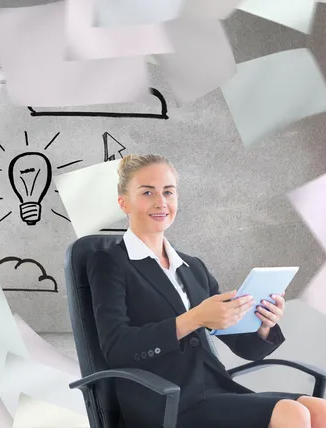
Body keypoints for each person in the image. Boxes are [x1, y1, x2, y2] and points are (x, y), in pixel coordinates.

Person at [87, 154, 326, 428]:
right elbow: (117, 348)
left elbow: (242, 345)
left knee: (319, 410)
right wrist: (195, 318)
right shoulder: (109, 262)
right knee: (291, 414)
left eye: (168, 191)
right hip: (162, 399)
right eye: (147, 192)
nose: (161, 202)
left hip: (213, 388)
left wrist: (262, 326)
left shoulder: (192, 267)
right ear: (123, 203)